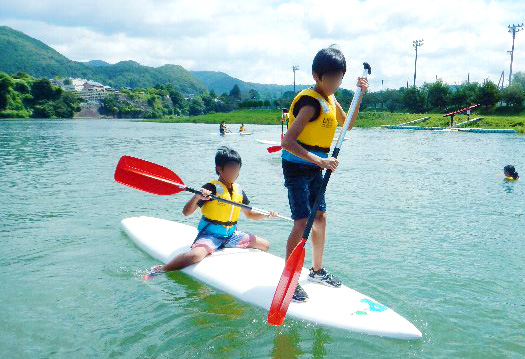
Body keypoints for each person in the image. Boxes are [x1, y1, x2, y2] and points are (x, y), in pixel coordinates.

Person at [280, 46, 368, 302]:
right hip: (297, 165)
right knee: (302, 221)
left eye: (340, 79)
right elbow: (287, 141)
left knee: (320, 218)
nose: (335, 84)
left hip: (316, 166)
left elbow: (348, 123)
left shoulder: (330, 99)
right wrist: (319, 160)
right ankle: (289, 278)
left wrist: (359, 94)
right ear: (317, 76)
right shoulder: (309, 103)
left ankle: (317, 271)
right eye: (331, 79)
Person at [144, 147, 276, 279]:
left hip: (231, 234)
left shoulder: (238, 190)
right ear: (219, 169)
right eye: (231, 168)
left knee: (264, 244)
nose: (235, 172)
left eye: (237, 168)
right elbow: (186, 212)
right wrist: (197, 197)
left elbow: (249, 214)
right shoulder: (210, 188)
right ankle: (161, 269)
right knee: (194, 255)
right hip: (211, 235)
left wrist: (266, 214)